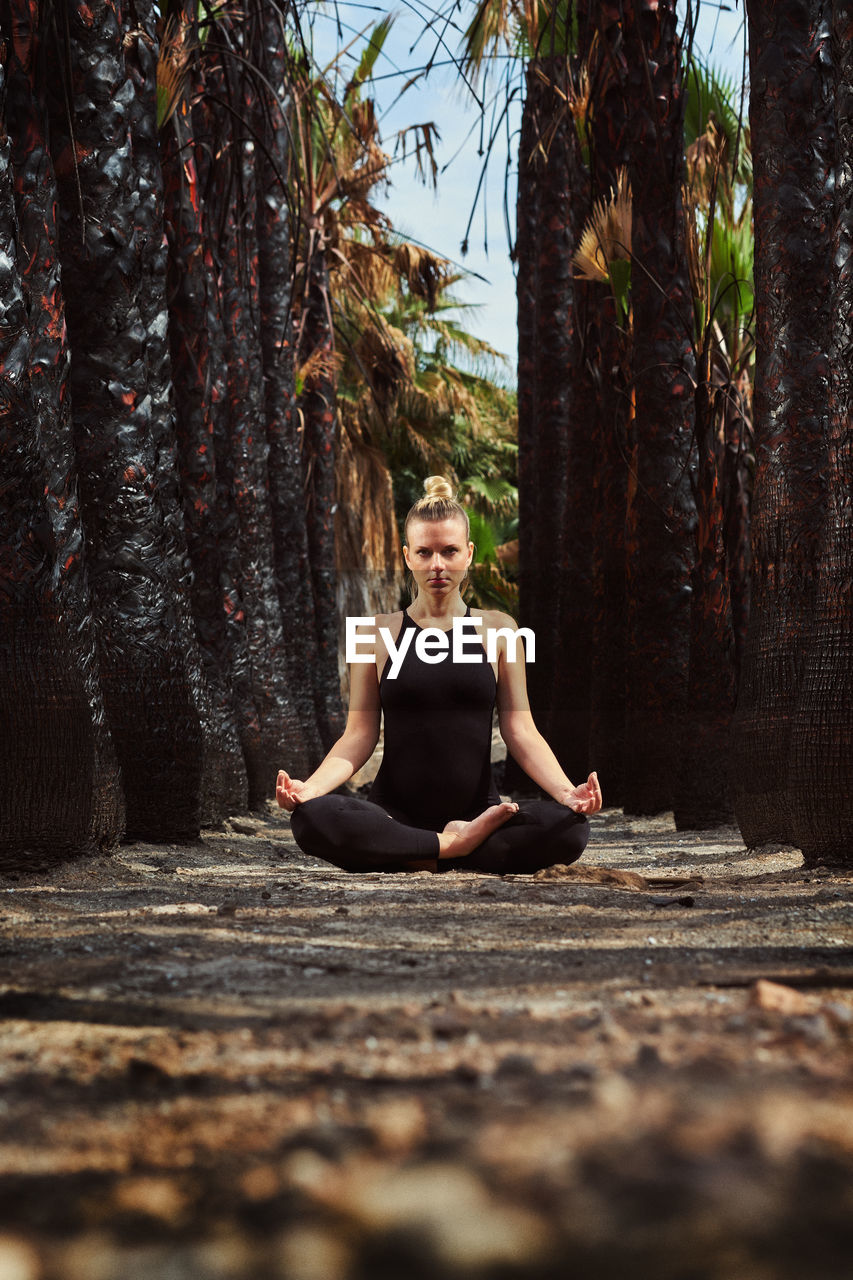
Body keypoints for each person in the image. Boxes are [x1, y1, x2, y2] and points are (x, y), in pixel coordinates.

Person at [276, 475, 603, 874]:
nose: (437, 565)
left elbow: (521, 731)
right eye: (425, 552)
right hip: (391, 817)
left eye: (449, 551)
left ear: (468, 554)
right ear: (407, 556)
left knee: (571, 829)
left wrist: (568, 792)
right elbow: (359, 735)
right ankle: (451, 848)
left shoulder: (500, 629)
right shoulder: (374, 633)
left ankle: (416, 852)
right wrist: (310, 788)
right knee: (310, 818)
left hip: (479, 816)